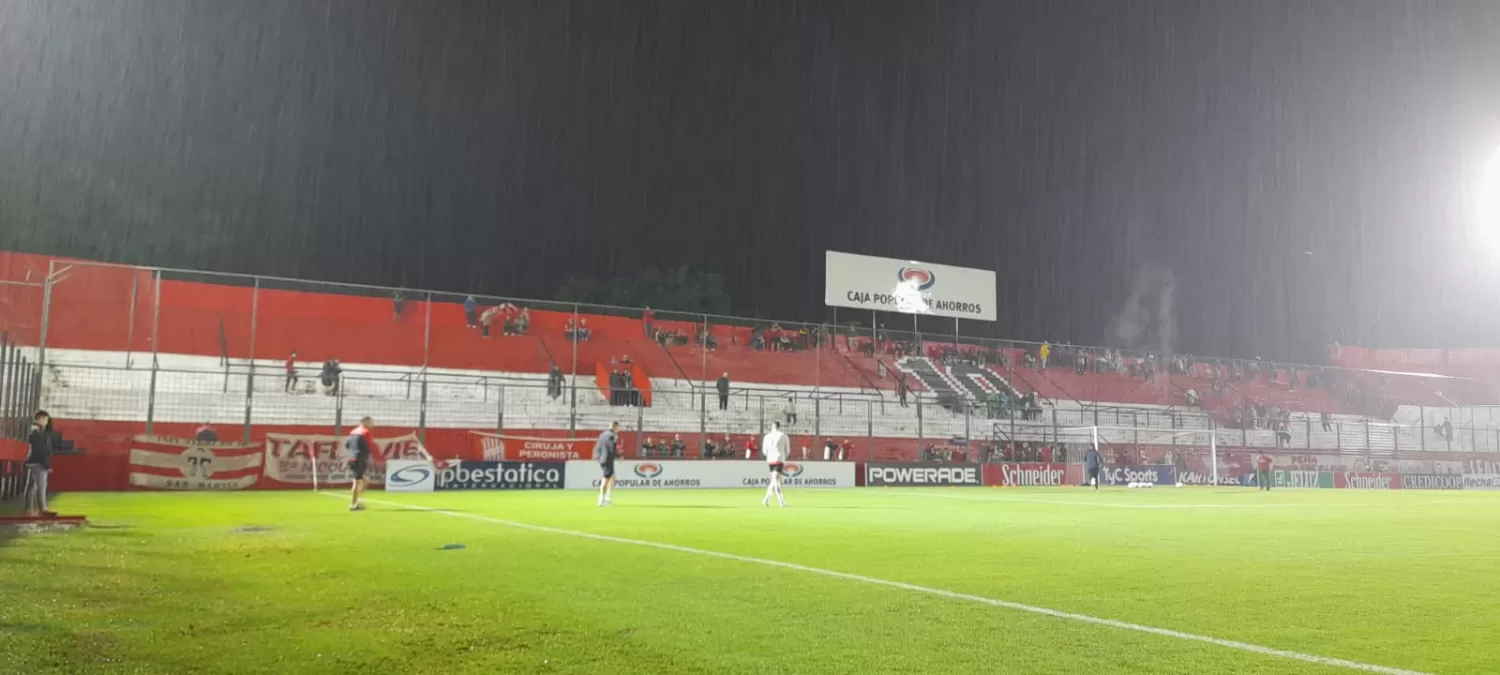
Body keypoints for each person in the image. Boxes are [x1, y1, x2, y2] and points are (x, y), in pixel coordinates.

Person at [24, 410, 55, 518]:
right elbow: (40, 448)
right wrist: (46, 464)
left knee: (33, 486)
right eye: (46, 419)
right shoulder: (37, 430)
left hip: (33, 461)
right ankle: (43, 509)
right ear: (41, 418)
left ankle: (29, 510)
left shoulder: (33, 429)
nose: (47, 422)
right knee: (41, 485)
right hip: (38, 461)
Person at [345, 417, 380, 511]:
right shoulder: (366, 432)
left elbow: (347, 445)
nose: (372, 424)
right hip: (360, 458)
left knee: (365, 480)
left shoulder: (353, 432)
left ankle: (357, 502)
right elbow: (369, 446)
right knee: (357, 482)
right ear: (365, 422)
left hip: (352, 459)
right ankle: (353, 504)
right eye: (370, 422)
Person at [761, 421, 789, 507]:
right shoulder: (783, 436)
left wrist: (769, 455)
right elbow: (787, 450)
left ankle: (767, 499)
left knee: (775, 480)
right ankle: (780, 501)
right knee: (776, 480)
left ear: (772, 427)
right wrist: (784, 457)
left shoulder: (766, 437)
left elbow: (764, 451)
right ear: (779, 427)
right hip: (779, 459)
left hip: (770, 460)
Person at [594, 421, 621, 507]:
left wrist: (598, 456)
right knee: (605, 480)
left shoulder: (602, 434)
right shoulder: (613, 436)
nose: (619, 429)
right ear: (615, 427)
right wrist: (618, 455)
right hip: (608, 459)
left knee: (613, 478)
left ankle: (607, 498)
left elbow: (598, 446)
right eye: (618, 427)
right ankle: (601, 500)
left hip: (602, 458)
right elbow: (611, 448)